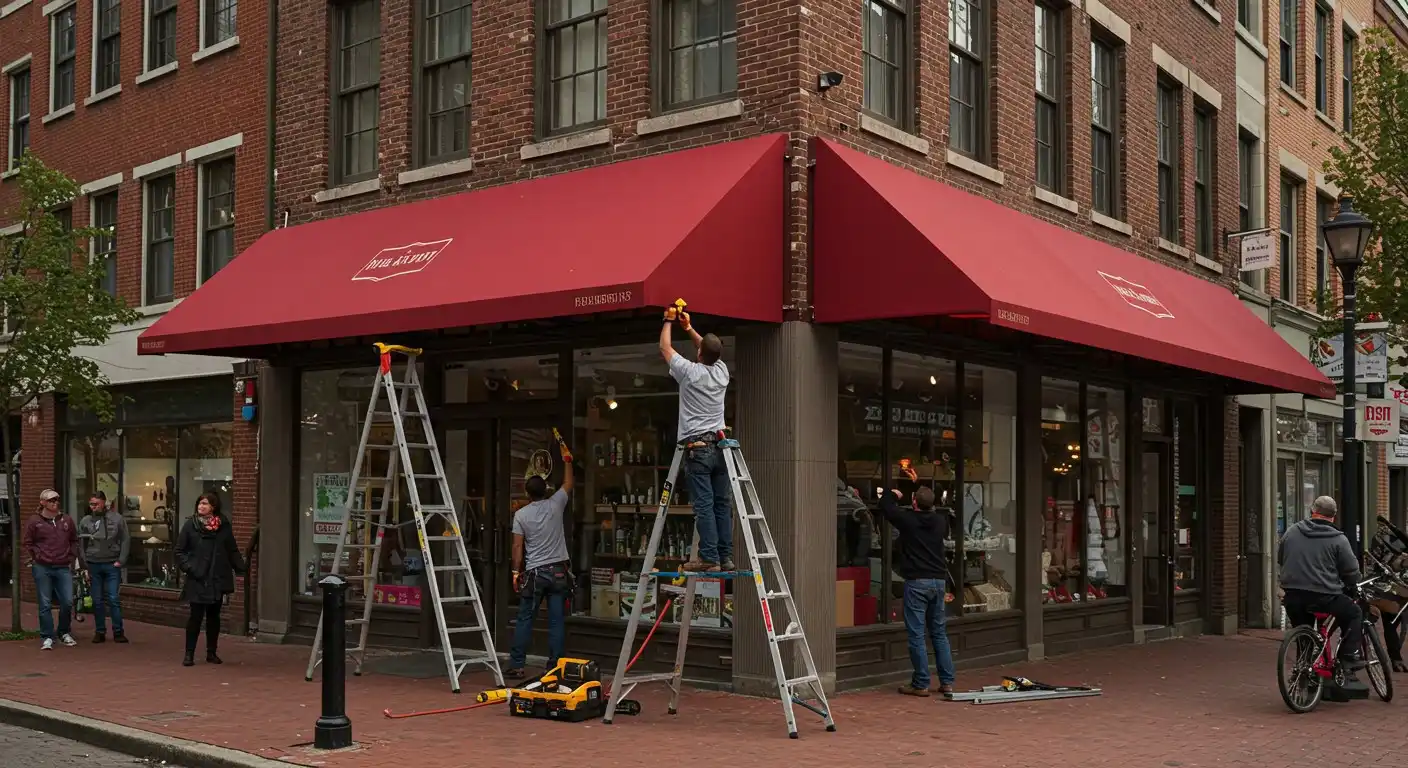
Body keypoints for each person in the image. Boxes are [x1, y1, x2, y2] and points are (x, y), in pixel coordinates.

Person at [659, 305, 732, 573]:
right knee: (721, 504)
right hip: (720, 446)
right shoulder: (722, 371)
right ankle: (725, 556)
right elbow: (710, 348)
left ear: (700, 354)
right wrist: (688, 328)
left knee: (704, 505)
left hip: (697, 447)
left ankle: (709, 557)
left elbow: (665, 349)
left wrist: (668, 321)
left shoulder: (690, 372)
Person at [879, 467, 956, 696]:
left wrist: (894, 494)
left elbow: (886, 507)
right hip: (938, 582)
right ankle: (947, 682)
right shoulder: (940, 522)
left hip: (917, 582)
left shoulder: (909, 520)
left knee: (917, 634)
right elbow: (932, 497)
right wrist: (918, 485)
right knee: (939, 633)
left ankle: (921, 683)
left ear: (914, 504)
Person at [505, 437, 574, 679]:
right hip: (558, 572)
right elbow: (568, 483)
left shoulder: (521, 515)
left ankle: (517, 664)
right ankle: (554, 665)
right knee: (556, 621)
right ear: (546, 490)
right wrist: (567, 461)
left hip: (534, 573)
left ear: (526, 492)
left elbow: (517, 546)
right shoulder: (556, 504)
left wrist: (515, 572)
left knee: (525, 618)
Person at [1279, 495, 1366, 682]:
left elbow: (1281, 557)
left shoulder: (1292, 531)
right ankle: (1348, 658)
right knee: (1353, 613)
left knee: (1304, 630)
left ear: (1312, 512)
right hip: (1324, 596)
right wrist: (1352, 583)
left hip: (1293, 594)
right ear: (1333, 516)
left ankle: (1304, 669)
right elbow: (1351, 571)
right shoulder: (1338, 539)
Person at [175, 493, 246, 667]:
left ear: (213, 506)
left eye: (205, 503)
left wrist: (241, 569)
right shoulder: (190, 525)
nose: (201, 506)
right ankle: (189, 653)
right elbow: (179, 551)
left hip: (217, 577)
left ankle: (211, 652)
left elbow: (232, 549)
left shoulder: (223, 526)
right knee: (195, 617)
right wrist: (191, 568)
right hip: (198, 578)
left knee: (214, 617)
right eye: (199, 503)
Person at [21, 489, 79, 650]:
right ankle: (47, 636)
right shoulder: (34, 521)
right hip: (42, 567)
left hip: (62, 566)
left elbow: (74, 539)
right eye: (51, 500)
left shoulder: (66, 520)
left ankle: (64, 632)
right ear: (43, 502)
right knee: (45, 603)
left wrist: (71, 556)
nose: (55, 502)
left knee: (67, 601)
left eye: (57, 499)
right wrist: (38, 555)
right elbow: (27, 542)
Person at [78, 491, 129, 644]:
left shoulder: (117, 518)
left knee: (113, 598)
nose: (93, 507)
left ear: (104, 503)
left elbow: (125, 539)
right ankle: (100, 631)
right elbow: (81, 543)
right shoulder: (86, 521)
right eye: (91, 504)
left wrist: (121, 560)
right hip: (93, 564)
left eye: (96, 504)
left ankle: (118, 631)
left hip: (112, 563)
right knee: (97, 600)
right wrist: (84, 564)